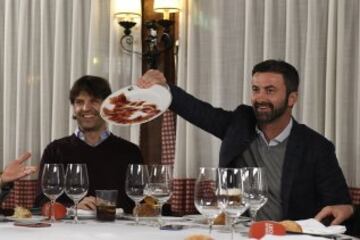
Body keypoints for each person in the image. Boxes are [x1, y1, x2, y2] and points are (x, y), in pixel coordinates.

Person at [137, 60, 353, 225]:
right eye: (256, 89)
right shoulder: (240, 123)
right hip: (239, 231)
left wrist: (345, 208)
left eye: (270, 90)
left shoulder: (316, 147)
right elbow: (197, 110)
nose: (260, 98)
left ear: (292, 98)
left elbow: (340, 202)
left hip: (287, 236)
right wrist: (164, 87)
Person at [34, 75, 143, 213]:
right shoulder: (55, 150)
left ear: (108, 106)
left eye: (94, 101)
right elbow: (41, 201)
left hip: (117, 231)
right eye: (79, 102)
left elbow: (140, 202)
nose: (86, 108)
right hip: (68, 232)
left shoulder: (130, 151)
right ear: (74, 107)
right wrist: (72, 207)